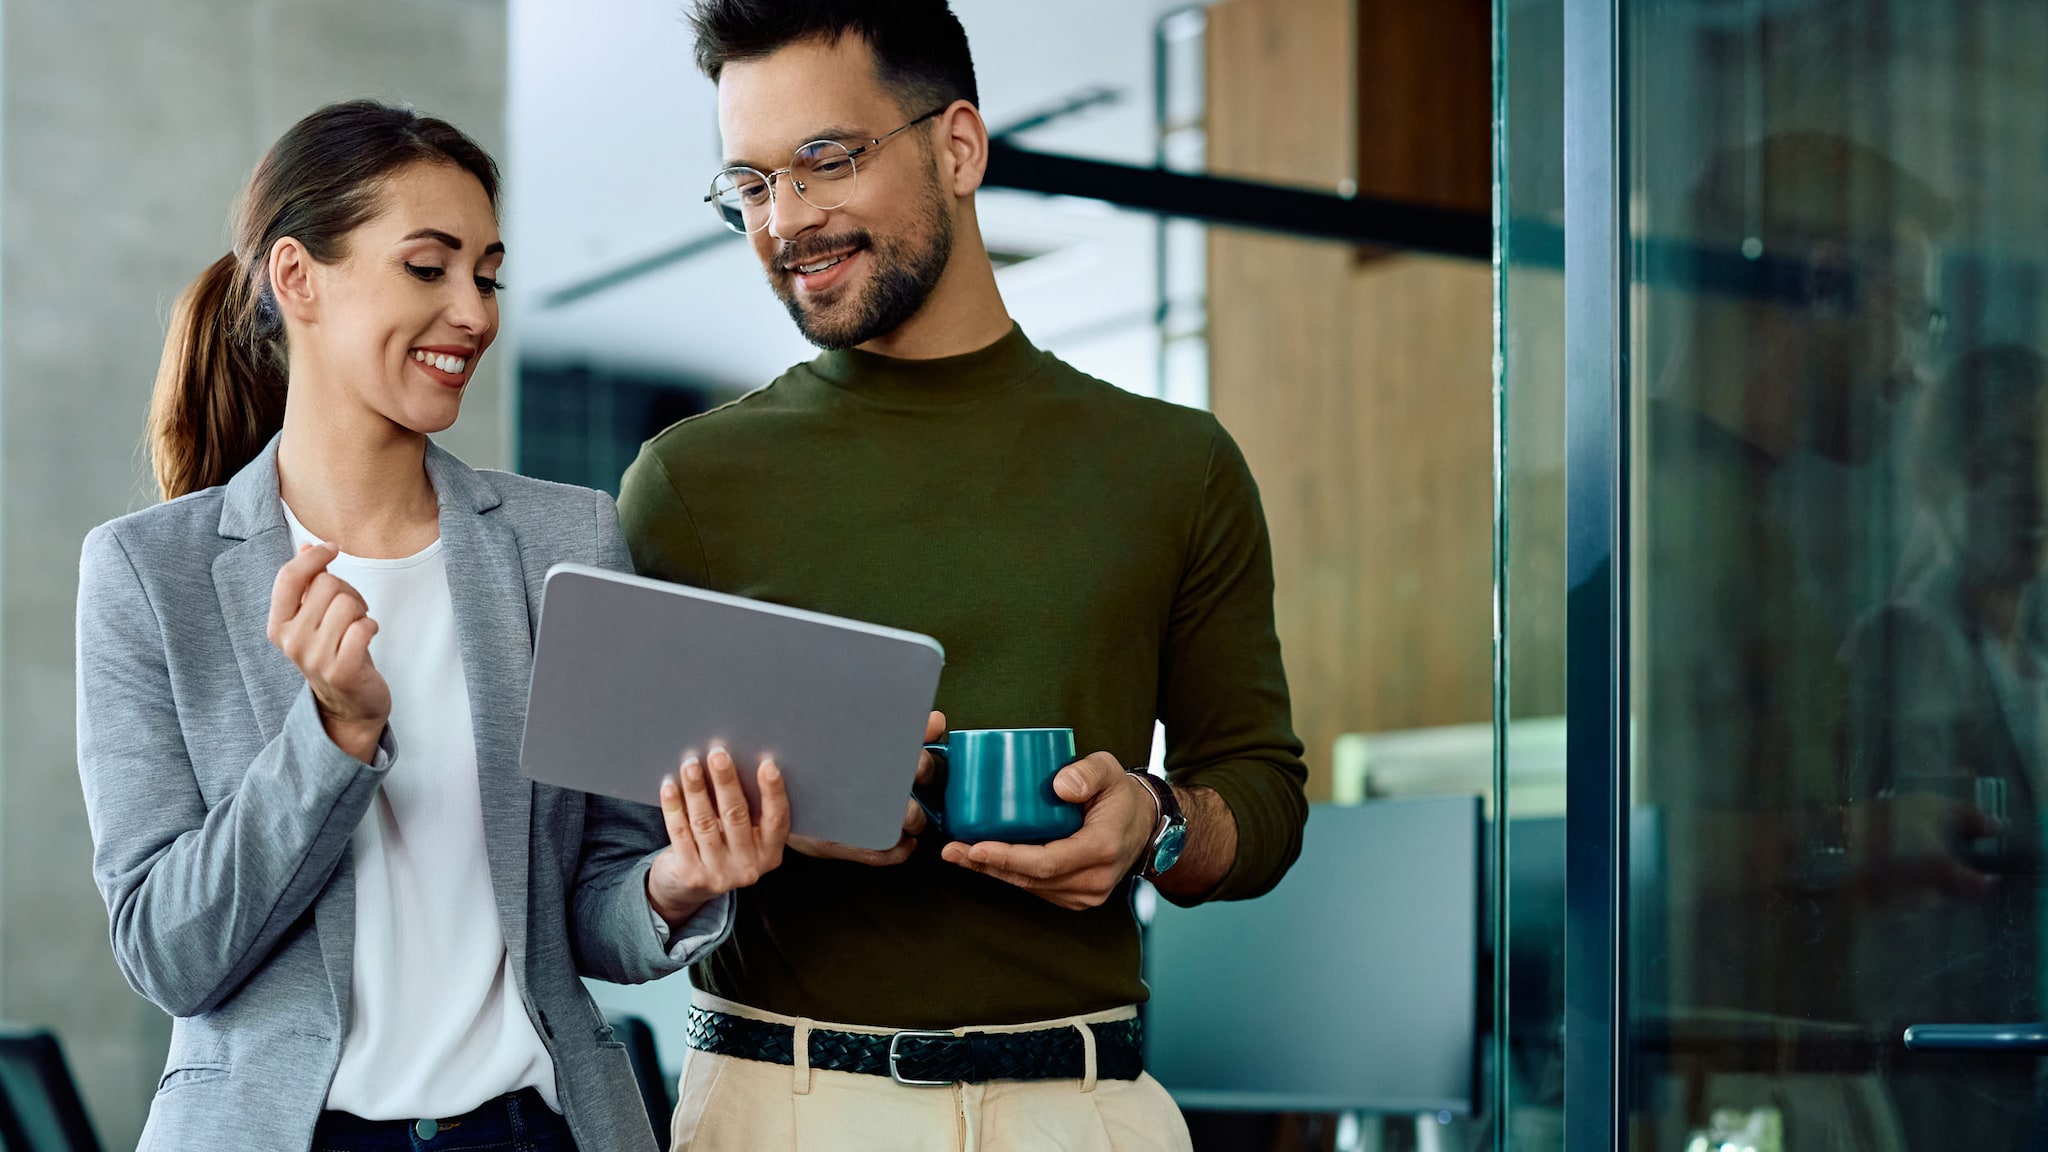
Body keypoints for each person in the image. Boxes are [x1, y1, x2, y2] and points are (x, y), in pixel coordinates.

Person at [616, 3, 1309, 1148]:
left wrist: (1154, 825)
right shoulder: (689, 484)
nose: (784, 219)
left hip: (1081, 1109)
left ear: (958, 148)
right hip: (779, 1108)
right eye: (749, 182)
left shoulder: (1171, 467)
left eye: (823, 161)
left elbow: (1263, 793)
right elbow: (609, 853)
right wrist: (762, 827)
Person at [74, 100, 788, 1152]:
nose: (473, 311)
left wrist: (677, 883)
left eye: (486, 275)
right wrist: (332, 737)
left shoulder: (566, 540)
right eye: (428, 267)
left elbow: (590, 909)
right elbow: (168, 953)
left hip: (528, 1130)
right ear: (295, 279)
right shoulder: (148, 572)